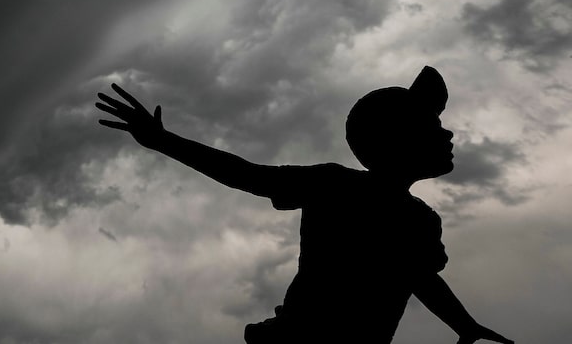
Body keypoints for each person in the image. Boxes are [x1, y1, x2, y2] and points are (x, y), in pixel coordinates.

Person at [96, 66, 513, 344]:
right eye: (434, 125)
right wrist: (164, 141)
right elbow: (248, 175)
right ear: (398, 141)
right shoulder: (335, 185)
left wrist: (465, 325)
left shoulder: (420, 219)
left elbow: (417, 277)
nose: (449, 133)